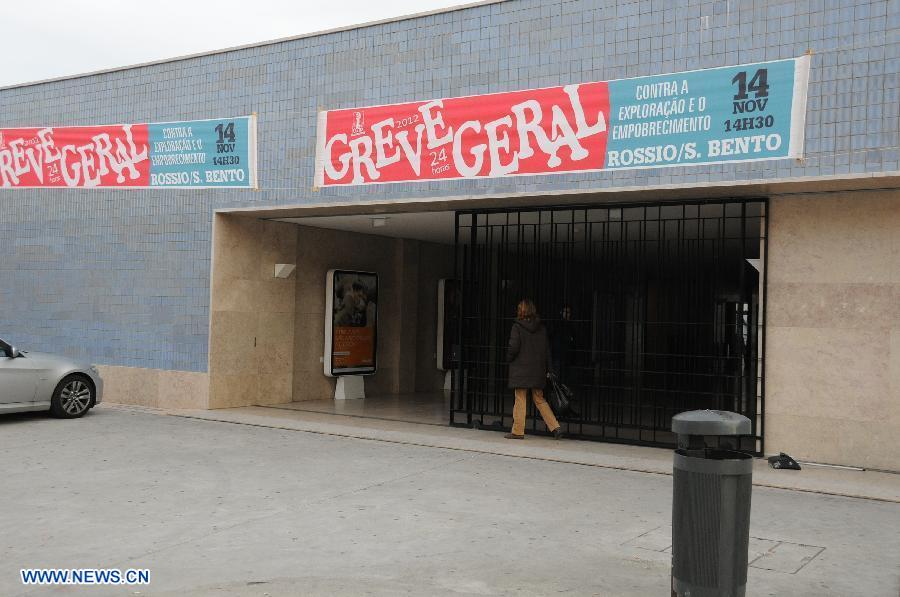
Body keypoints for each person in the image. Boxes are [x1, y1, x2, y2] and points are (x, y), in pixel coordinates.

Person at [505, 299, 563, 440]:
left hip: (521, 370)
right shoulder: (541, 328)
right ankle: (555, 427)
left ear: (521, 311)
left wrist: (508, 357)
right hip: (538, 370)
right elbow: (547, 351)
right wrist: (549, 369)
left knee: (520, 398)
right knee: (539, 399)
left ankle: (518, 431)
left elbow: (514, 347)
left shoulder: (517, 327)